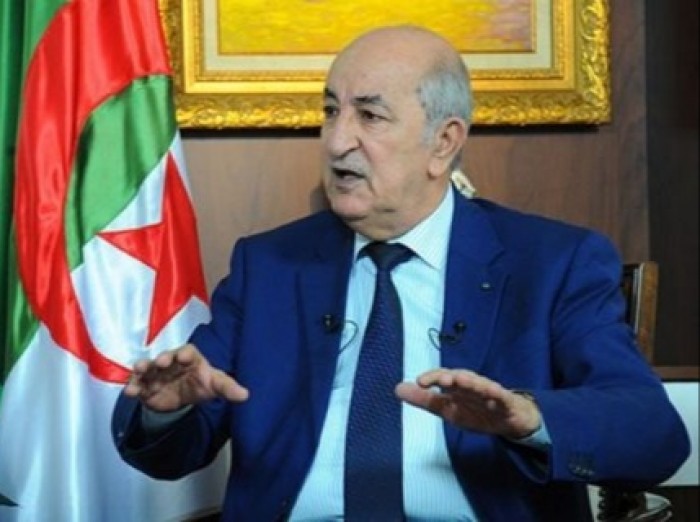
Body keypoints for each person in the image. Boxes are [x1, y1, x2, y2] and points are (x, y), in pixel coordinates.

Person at [112, 24, 690, 521]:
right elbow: (174, 452)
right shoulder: (269, 267)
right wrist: (168, 411)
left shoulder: (552, 263)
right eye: (331, 111)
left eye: (369, 115)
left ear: (443, 142)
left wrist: (529, 418)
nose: (338, 141)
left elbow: (654, 434)